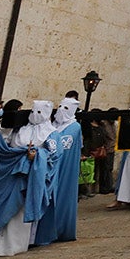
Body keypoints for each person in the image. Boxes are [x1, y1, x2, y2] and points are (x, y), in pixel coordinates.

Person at [0, 100, 56, 257]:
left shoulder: (50, 132)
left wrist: (36, 156)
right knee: (2, 208)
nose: (35, 116)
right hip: (9, 175)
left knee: (18, 211)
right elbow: (1, 144)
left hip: (29, 176)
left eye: (40, 112)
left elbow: (54, 155)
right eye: (33, 111)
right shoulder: (19, 129)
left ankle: (15, 245)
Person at [34, 97, 83, 245]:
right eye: (60, 106)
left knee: (61, 196)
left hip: (65, 168)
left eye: (66, 108)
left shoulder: (74, 127)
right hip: (49, 167)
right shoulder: (51, 125)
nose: (61, 110)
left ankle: (60, 229)